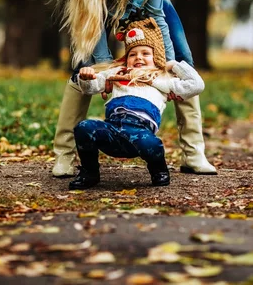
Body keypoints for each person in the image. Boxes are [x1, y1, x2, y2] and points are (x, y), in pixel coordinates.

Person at [51, 0, 217, 177]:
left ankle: (194, 154)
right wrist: (104, 71)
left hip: (146, 7)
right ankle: (64, 155)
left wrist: (167, 65)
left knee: (184, 61)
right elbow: (91, 23)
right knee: (84, 69)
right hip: (94, 10)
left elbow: (157, 15)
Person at [69, 17, 205, 189]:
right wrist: (86, 77)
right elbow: (91, 88)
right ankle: (89, 172)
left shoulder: (162, 79)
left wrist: (173, 65)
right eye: (132, 54)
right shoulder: (118, 72)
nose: (138, 57)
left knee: (152, 144)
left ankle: (159, 169)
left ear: (156, 57)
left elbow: (197, 85)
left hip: (140, 131)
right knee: (83, 127)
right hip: (112, 129)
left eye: (145, 53)